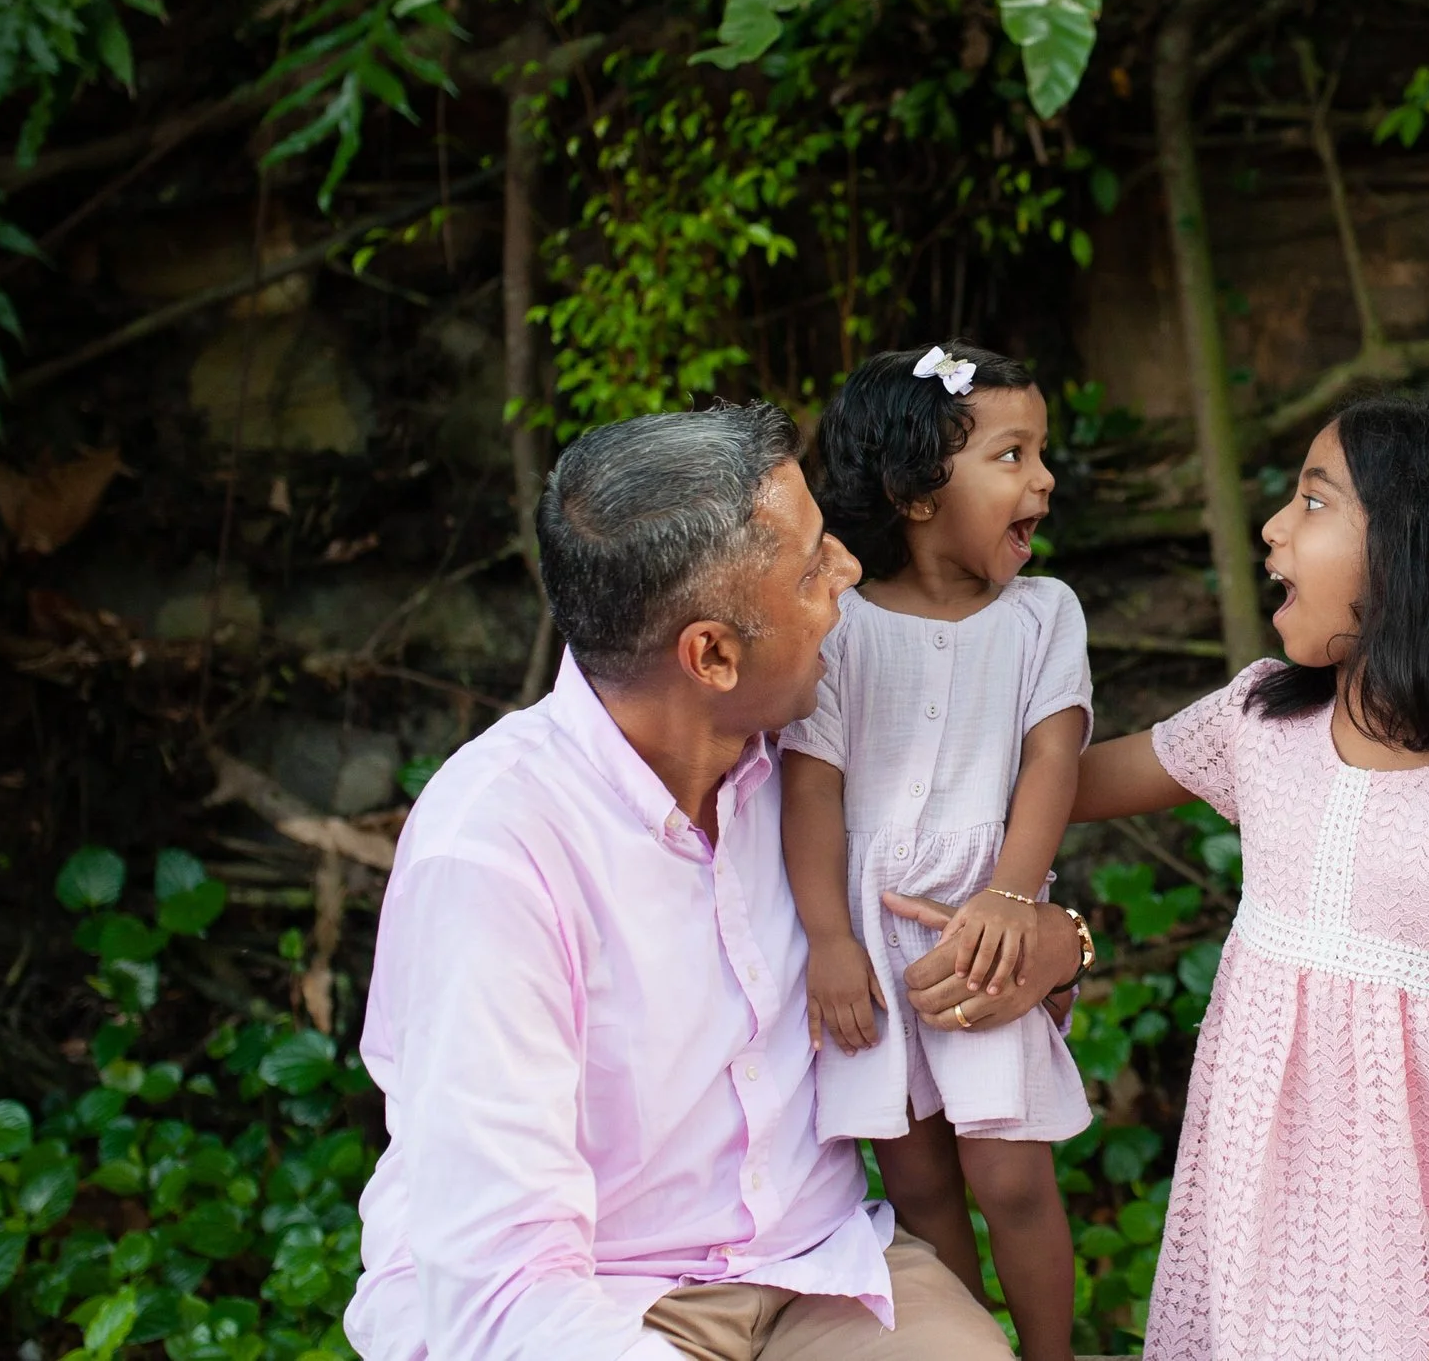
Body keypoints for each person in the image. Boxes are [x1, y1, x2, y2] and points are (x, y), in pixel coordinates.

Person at [342, 402, 1085, 1361]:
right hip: (600, 1306)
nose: (851, 571)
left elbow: (1003, 842)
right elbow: (503, 1291)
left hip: (821, 1268)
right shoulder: (493, 851)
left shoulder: (811, 763)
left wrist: (1063, 942)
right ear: (713, 656)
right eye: (813, 569)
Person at [1072, 394, 1429, 1361]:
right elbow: (1065, 784)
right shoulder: (1258, 723)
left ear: (1422, 554)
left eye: (1313, 501)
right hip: (1272, 1222)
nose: (1272, 526)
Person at [780, 342, 1090, 1361]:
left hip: (984, 930)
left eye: (1040, 452)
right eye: (1011, 454)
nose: (1043, 478)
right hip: (870, 943)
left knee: (1011, 1174)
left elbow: (1053, 757)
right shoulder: (839, 627)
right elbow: (811, 786)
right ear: (916, 494)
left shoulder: (1043, 615)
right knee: (916, 1181)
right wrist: (829, 938)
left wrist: (1012, 895)